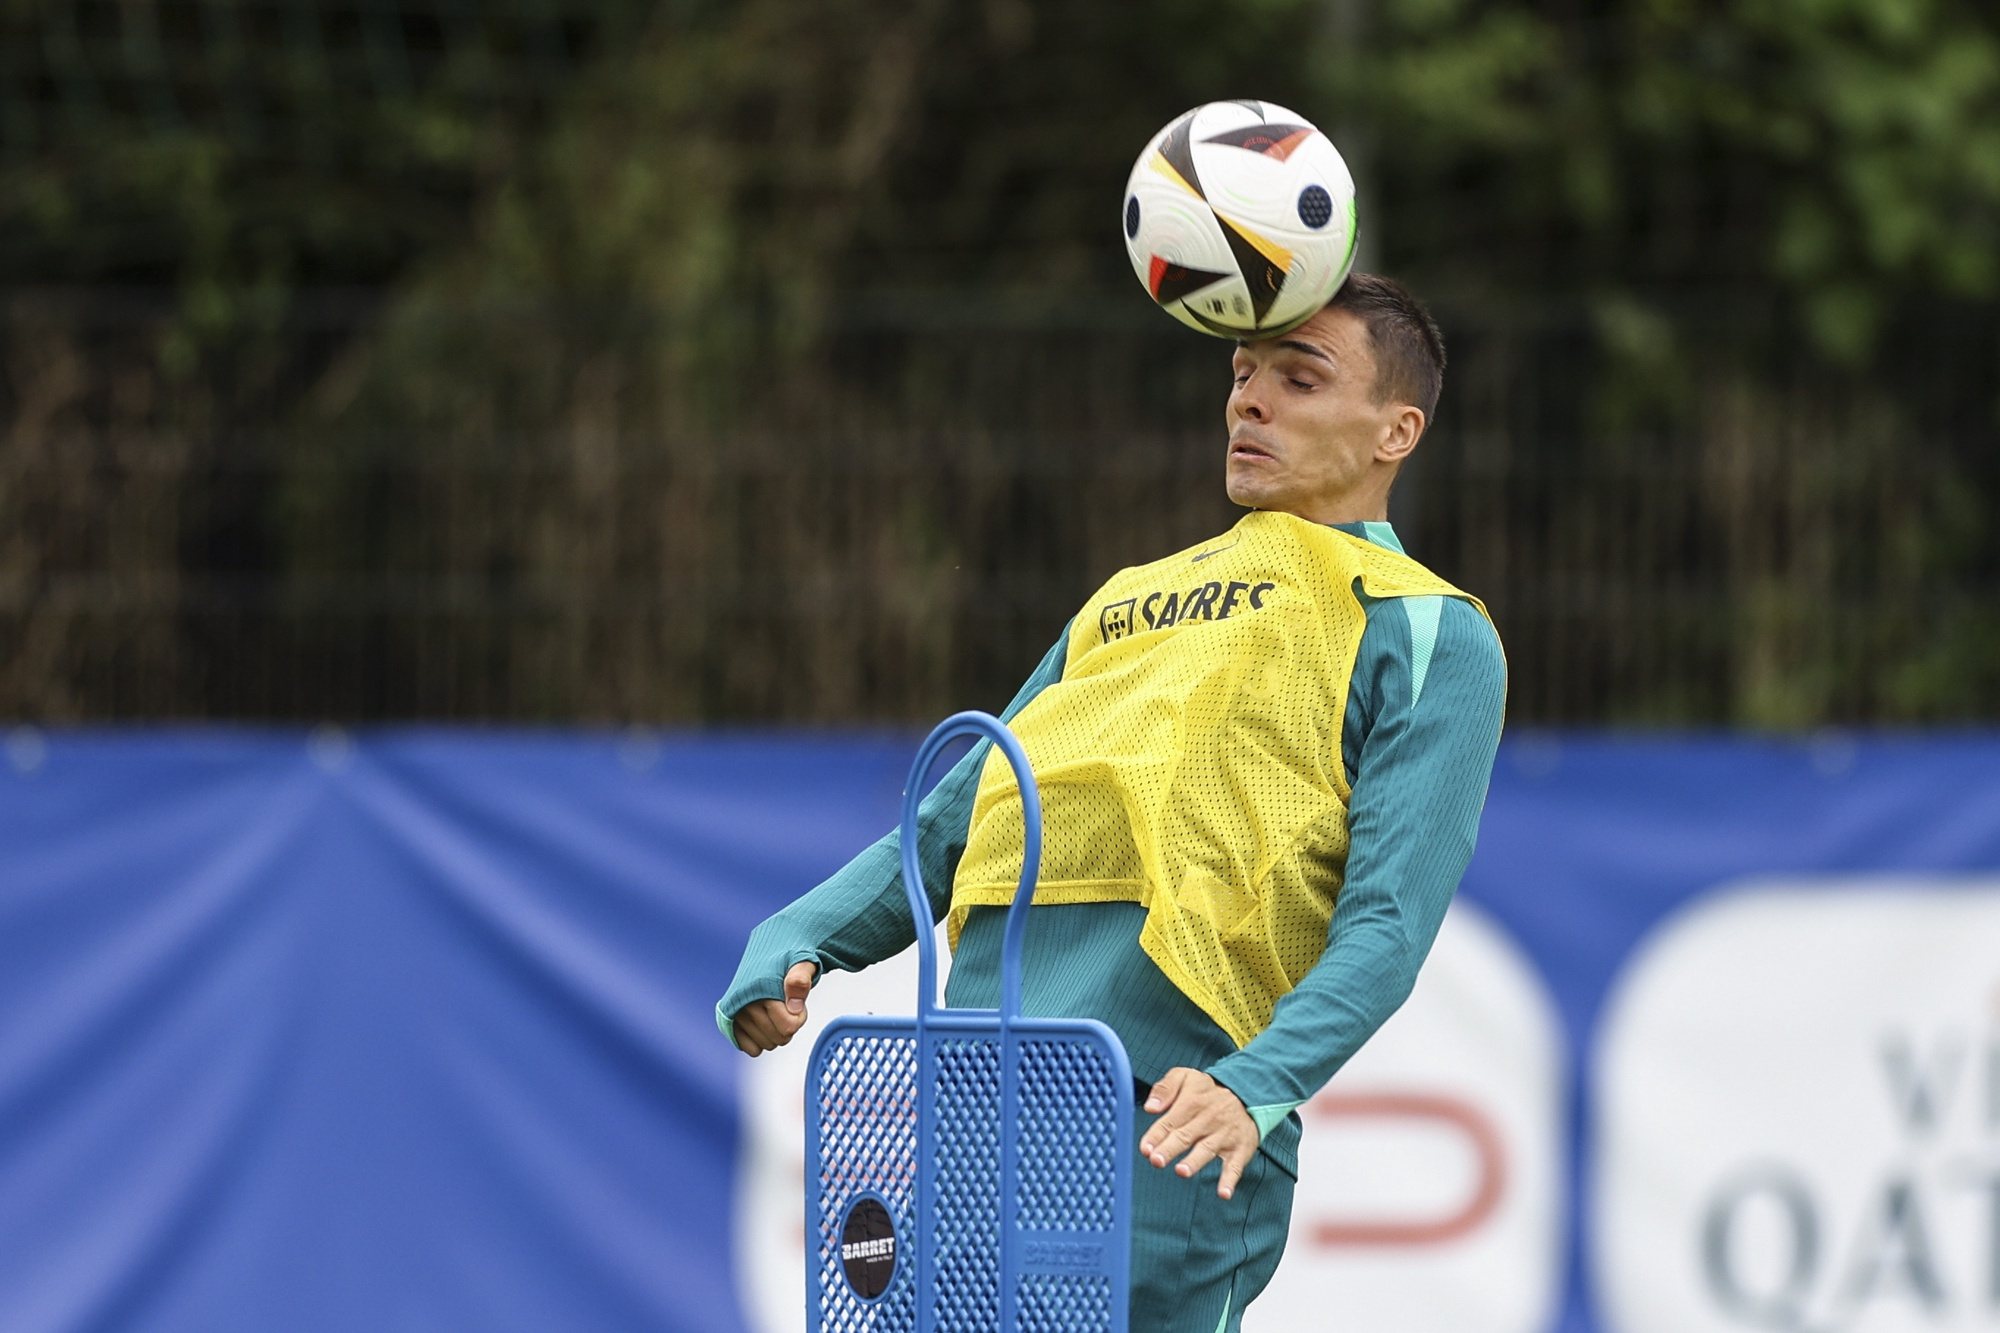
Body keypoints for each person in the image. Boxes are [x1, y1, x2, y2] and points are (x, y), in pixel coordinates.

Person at [717, 272, 1507, 1331]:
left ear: (1394, 431)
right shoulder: (1122, 600)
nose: (1247, 401)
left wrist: (1253, 1081)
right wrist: (802, 930)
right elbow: (959, 814)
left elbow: (1389, 923)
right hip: (974, 1116)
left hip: (1161, 1132)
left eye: (1297, 378)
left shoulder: (1429, 631)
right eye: (1238, 375)